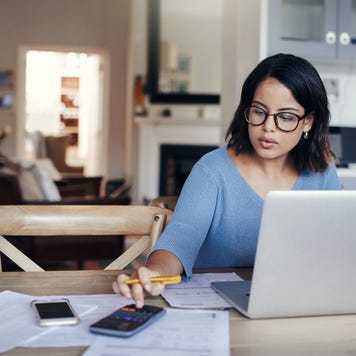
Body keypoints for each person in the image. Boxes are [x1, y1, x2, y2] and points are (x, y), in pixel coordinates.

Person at [113, 53, 342, 307]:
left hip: (294, 304)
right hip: (215, 308)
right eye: (259, 112)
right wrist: (154, 273)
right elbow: (180, 239)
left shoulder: (322, 172)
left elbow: (336, 249)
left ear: (308, 121)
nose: (268, 127)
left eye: (286, 117)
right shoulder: (212, 171)